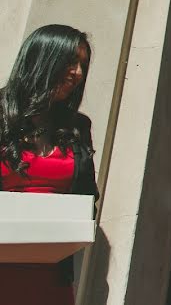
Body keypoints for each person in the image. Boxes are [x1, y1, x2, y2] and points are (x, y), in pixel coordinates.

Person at [0, 24, 99, 305]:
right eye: (70, 62)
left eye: (82, 65)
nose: (78, 73)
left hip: (50, 276)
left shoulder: (78, 126)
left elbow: (87, 195)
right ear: (42, 59)